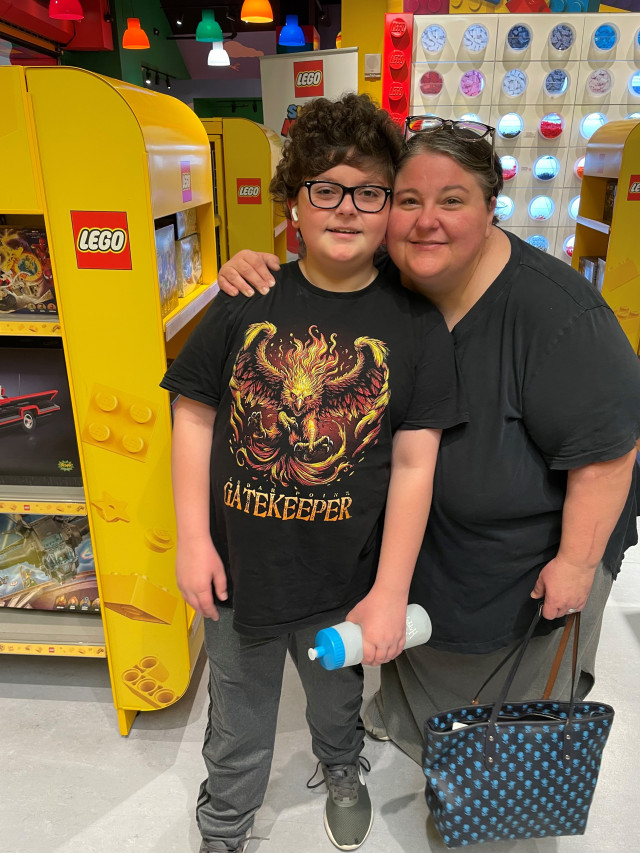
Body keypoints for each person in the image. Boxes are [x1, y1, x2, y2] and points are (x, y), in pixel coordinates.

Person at [215, 114, 640, 766]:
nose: (424, 220)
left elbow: (609, 454)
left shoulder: (559, 317)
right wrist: (255, 267)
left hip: (526, 558)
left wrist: (578, 563)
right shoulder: (385, 272)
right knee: (417, 656)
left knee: (501, 722)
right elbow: (312, 287)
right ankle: (408, 724)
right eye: (407, 199)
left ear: (492, 206)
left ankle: (483, 789)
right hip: (419, 544)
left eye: (451, 200)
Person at [160, 95, 466, 853]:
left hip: (345, 578)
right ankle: (224, 822)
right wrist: (192, 540)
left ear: (390, 205)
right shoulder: (243, 299)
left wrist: (391, 589)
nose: (347, 208)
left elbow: (414, 460)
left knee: (337, 698)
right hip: (240, 573)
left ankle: (341, 769)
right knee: (237, 709)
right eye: (325, 188)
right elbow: (193, 416)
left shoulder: (414, 325)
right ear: (294, 199)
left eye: (369, 192)